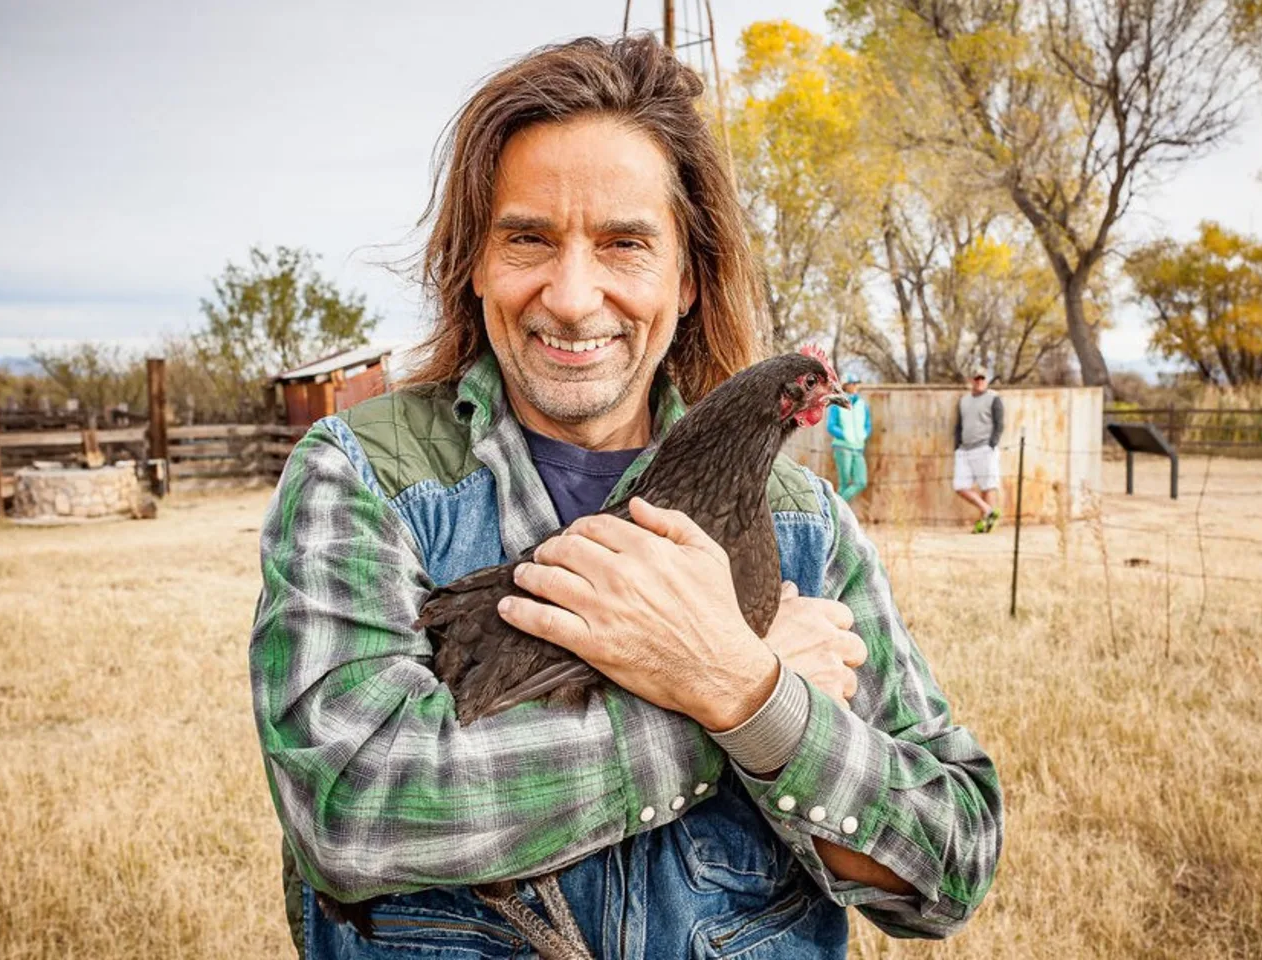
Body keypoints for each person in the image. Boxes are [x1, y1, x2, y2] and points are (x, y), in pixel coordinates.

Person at [250, 35, 1001, 960]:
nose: (572, 296)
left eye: (624, 244)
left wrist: (750, 694)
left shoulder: (806, 529)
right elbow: (352, 811)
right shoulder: (365, 478)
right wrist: (724, 697)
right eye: (528, 237)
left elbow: (951, 860)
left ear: (687, 279)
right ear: (475, 263)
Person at [953, 366, 1004, 533]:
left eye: (982, 378)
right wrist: (957, 445)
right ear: (971, 380)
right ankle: (989, 511)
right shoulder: (964, 400)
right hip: (965, 449)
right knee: (960, 486)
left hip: (984, 447)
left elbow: (999, 424)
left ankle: (986, 524)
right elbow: (959, 425)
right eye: (976, 378)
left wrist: (992, 444)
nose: (979, 381)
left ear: (986, 380)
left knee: (987, 486)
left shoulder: (993, 398)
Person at [825, 375, 871, 502]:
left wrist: (864, 434)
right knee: (844, 483)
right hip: (842, 447)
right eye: (853, 383)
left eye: (857, 383)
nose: (856, 386)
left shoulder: (862, 404)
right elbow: (831, 426)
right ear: (846, 385)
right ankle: (836, 513)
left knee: (861, 482)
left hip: (858, 448)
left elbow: (867, 424)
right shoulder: (837, 404)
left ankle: (835, 508)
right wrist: (845, 435)